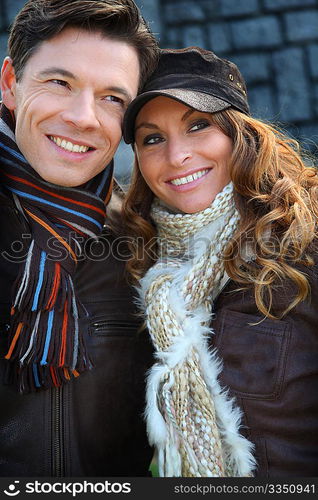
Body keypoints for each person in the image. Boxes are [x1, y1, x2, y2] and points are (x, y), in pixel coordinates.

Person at [121, 47, 318, 477]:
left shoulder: (305, 244)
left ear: (239, 134)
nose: (177, 157)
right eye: (152, 138)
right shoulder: (140, 265)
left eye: (198, 126)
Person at [0, 0, 159, 476]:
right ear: (10, 84)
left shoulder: (140, 241)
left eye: (113, 98)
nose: (84, 117)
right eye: (59, 83)